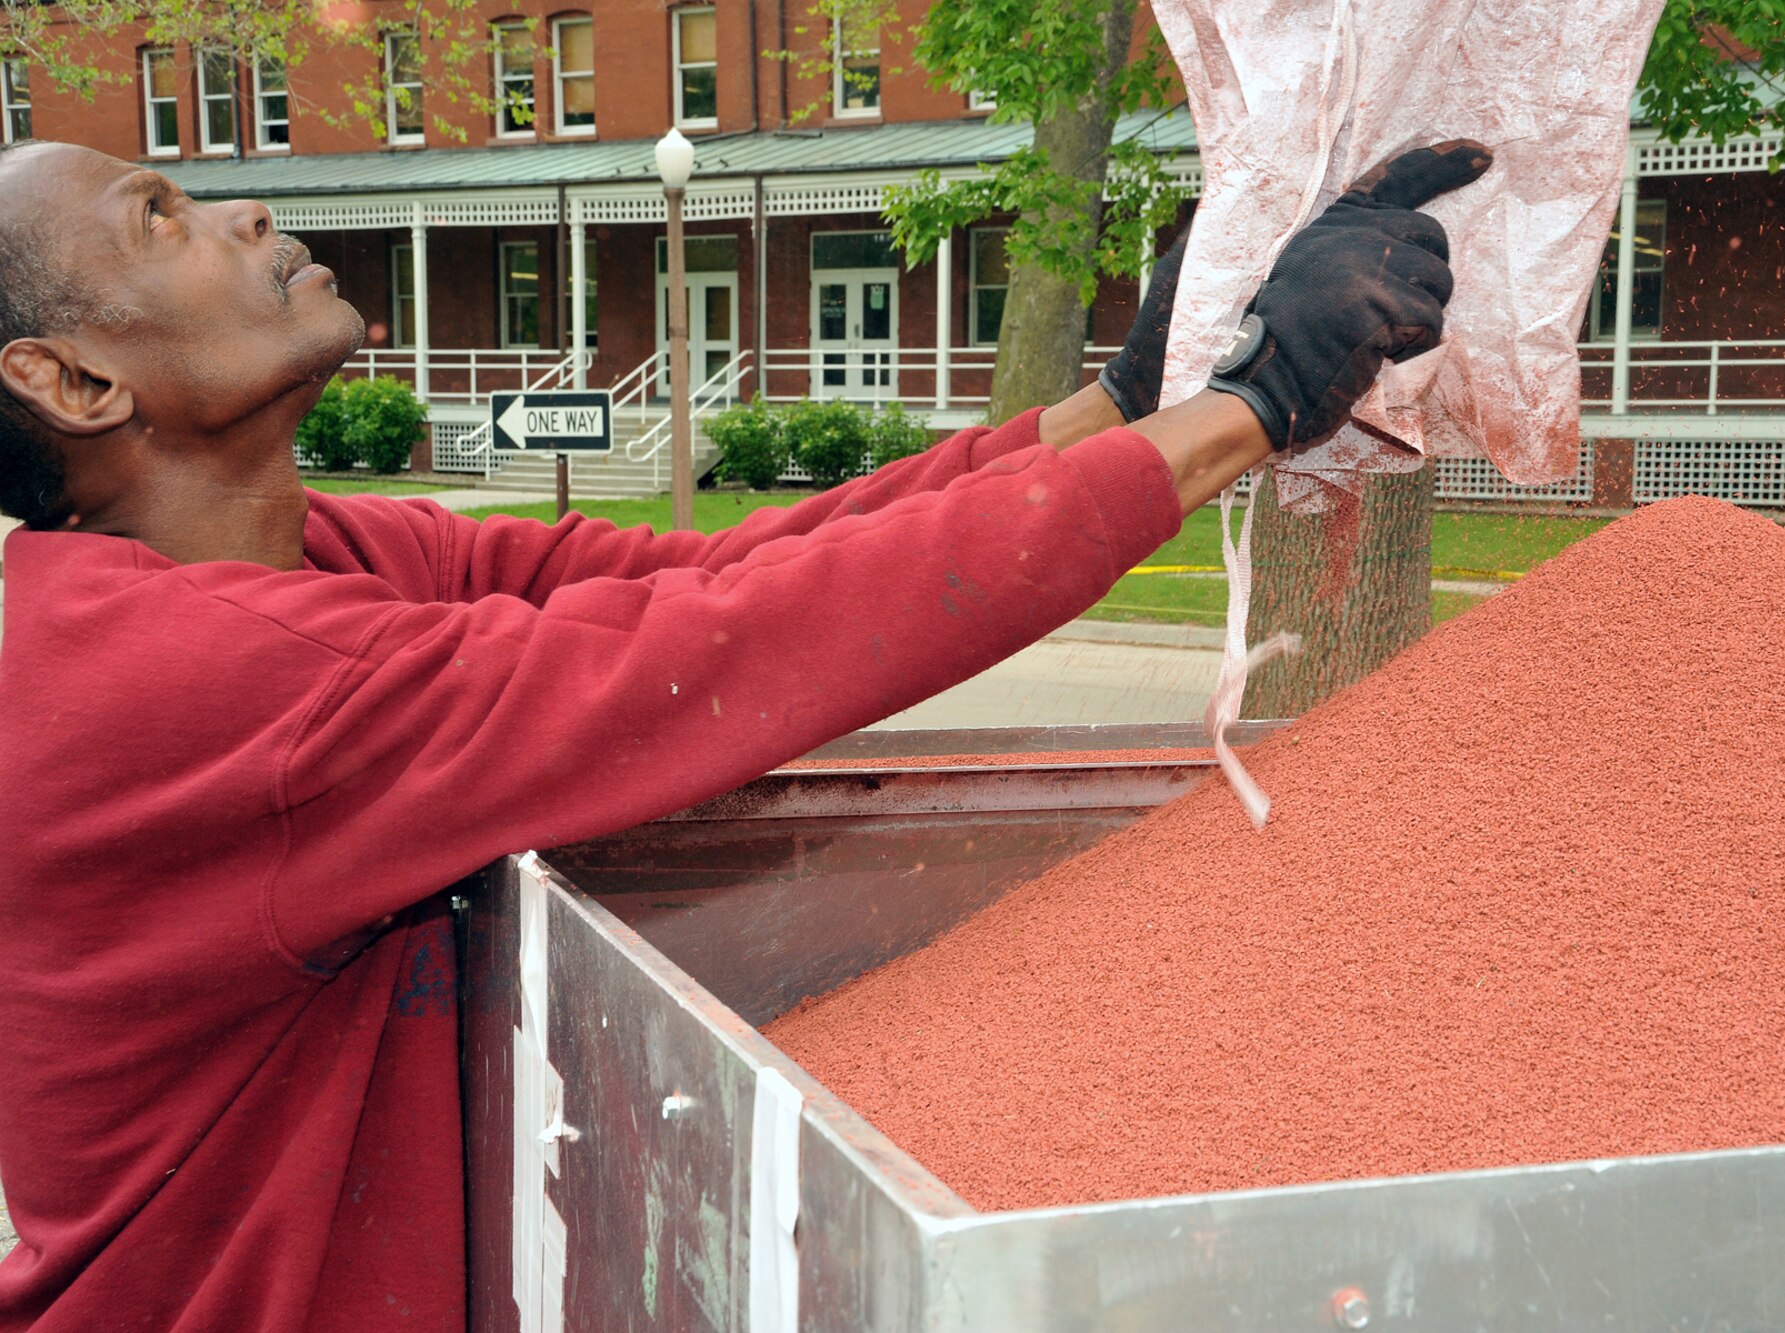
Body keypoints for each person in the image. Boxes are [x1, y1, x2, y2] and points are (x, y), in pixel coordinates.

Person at [0, 137, 1488, 1330]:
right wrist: (1252, 407)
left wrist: (1120, 403)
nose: (249, 211)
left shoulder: (315, 554)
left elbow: (720, 573)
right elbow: (717, 655)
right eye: (163, 218)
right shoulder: (165, 679)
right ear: (73, 381)